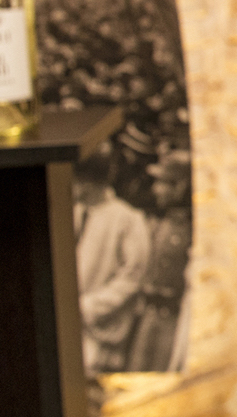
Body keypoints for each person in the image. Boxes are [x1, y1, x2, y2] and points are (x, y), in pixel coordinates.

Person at [75, 157, 151, 374]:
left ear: (86, 183)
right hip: (69, 324)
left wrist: (89, 307)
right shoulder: (74, 212)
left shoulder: (127, 219)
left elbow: (133, 277)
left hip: (101, 329)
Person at [127, 150, 192, 372]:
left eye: (163, 183)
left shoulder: (192, 230)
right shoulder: (157, 223)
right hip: (147, 316)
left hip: (173, 321)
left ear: (180, 186)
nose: (156, 189)